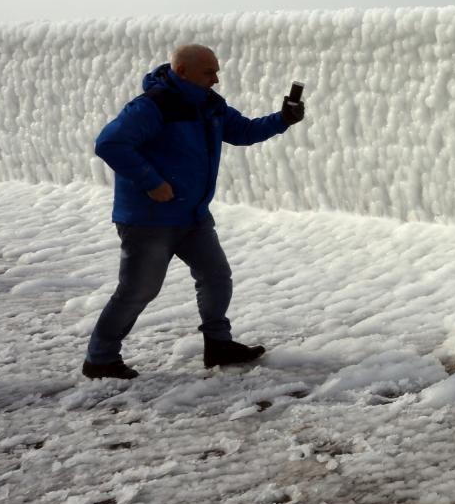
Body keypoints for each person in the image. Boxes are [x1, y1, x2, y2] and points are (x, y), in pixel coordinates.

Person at [81, 44, 304, 379]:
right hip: (149, 220)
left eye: (216, 71)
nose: (216, 79)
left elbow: (242, 132)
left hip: (193, 216)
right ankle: (100, 358)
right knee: (139, 290)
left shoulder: (209, 105)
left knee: (216, 277)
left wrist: (282, 119)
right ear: (182, 71)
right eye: (209, 72)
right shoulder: (151, 107)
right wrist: (151, 181)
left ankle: (218, 345)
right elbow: (109, 143)